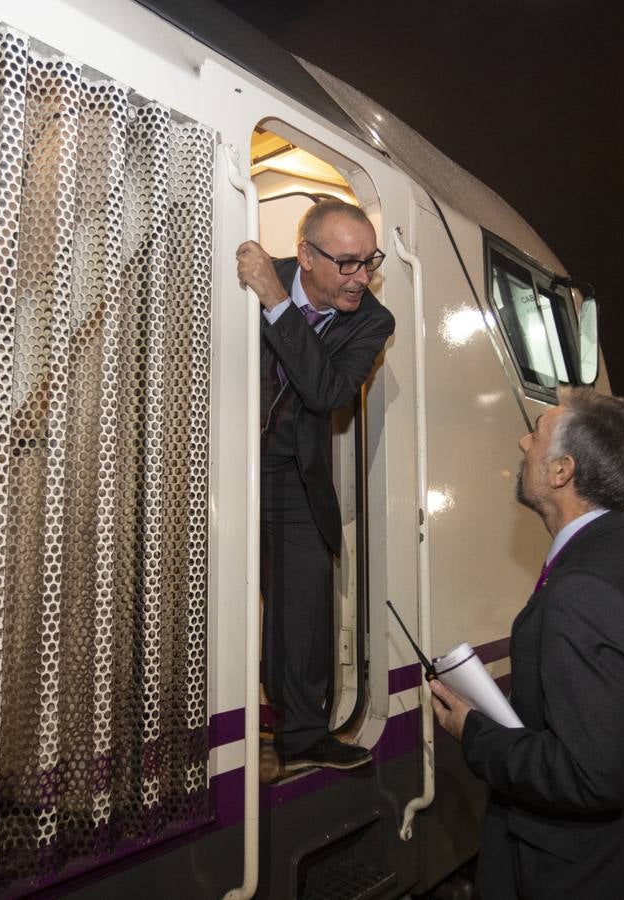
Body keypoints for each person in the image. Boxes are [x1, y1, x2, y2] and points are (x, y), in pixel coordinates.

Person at [430, 387, 624, 899]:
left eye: (537, 435)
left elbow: (589, 777)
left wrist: (472, 730)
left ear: (561, 471)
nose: (523, 443)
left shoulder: (584, 591)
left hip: (595, 876)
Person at [236, 200, 395, 771]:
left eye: (368, 263)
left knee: (302, 606)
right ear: (305, 255)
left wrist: (277, 306)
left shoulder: (372, 321)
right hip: (218, 465)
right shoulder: (251, 274)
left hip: (292, 476)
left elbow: (327, 392)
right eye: (347, 263)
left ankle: (303, 735)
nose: (361, 278)